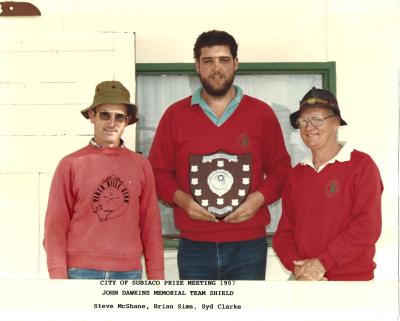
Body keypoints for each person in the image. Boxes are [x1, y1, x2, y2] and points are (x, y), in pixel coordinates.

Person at [148, 30, 291, 280]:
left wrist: (258, 199)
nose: (217, 68)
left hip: (249, 244)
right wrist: (182, 201)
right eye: (208, 61)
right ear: (197, 66)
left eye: (224, 60)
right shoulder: (175, 115)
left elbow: (281, 170)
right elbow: (157, 173)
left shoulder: (261, 113)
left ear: (235, 63)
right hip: (194, 245)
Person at [43, 80, 164, 280]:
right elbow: (55, 227)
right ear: (92, 116)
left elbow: (151, 225)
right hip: (80, 272)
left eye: (119, 117)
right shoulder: (71, 164)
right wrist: (58, 279)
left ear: (127, 121)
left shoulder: (141, 166)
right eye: (105, 115)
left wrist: (157, 278)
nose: (112, 123)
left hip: (129, 272)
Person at [272, 87, 383, 281]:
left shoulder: (362, 166)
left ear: (336, 123)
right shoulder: (297, 174)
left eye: (317, 119)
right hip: (303, 280)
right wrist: (298, 267)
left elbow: (367, 227)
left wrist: (322, 263)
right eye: (304, 120)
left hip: (352, 282)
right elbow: (283, 234)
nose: (309, 126)